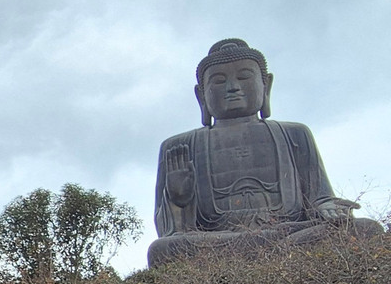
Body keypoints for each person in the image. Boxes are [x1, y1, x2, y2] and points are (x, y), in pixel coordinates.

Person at [148, 39, 379, 266]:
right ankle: (273, 250)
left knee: (365, 230)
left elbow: (318, 198)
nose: (233, 87)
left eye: (244, 77)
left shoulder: (295, 134)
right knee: (162, 250)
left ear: (266, 85)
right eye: (219, 81)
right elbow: (171, 231)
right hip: (222, 242)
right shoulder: (180, 146)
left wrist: (327, 208)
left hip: (290, 232)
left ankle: (271, 248)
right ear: (201, 96)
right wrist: (180, 201)